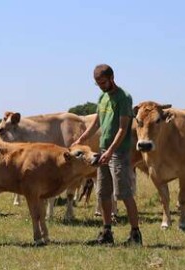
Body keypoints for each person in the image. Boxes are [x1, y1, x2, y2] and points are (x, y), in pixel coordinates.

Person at [72, 64, 142, 246]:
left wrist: (111, 151)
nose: (101, 86)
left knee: (124, 193)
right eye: (98, 83)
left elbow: (123, 128)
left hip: (119, 153)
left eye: (103, 82)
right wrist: (82, 137)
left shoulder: (124, 98)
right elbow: (97, 121)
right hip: (103, 151)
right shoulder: (102, 97)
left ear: (112, 78)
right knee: (103, 193)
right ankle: (107, 233)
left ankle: (135, 234)